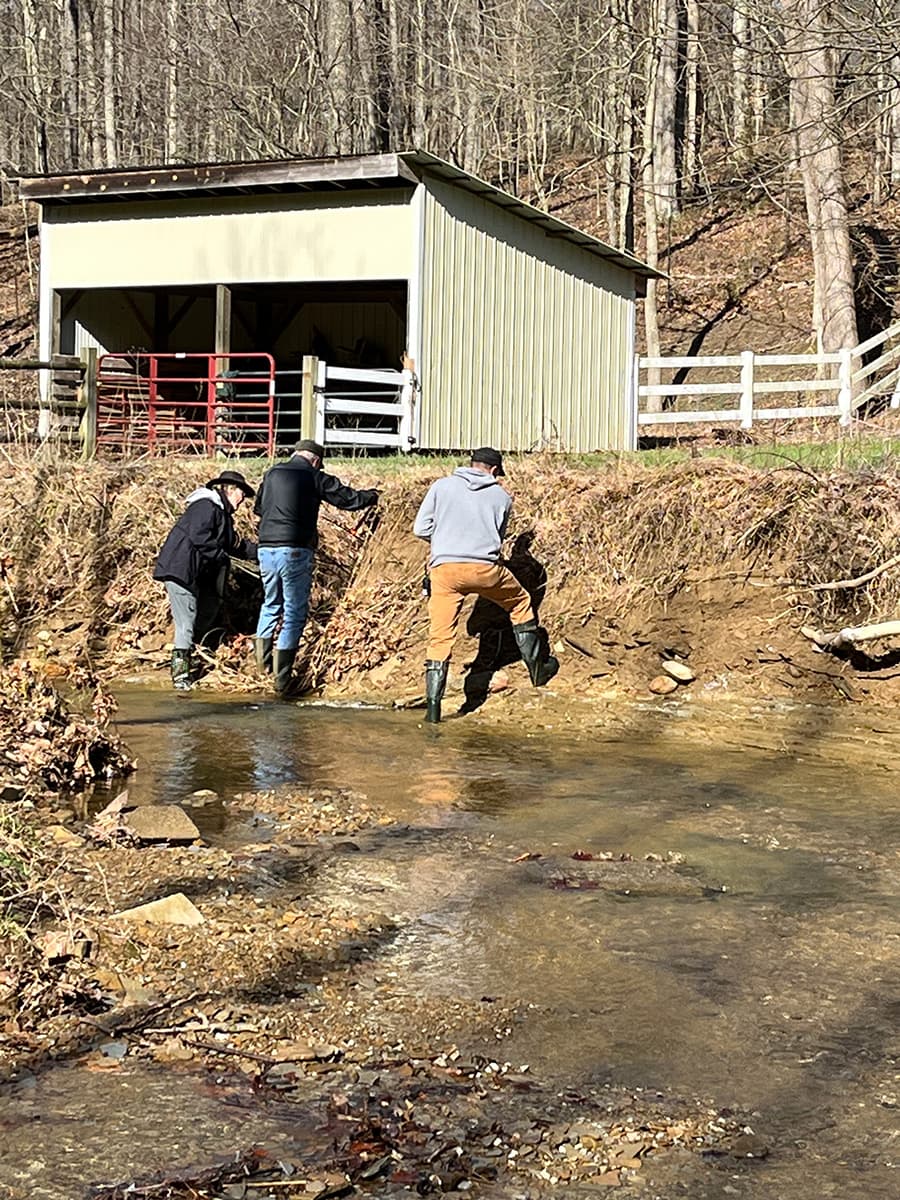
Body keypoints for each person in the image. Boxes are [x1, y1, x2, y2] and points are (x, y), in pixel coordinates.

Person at [413, 447, 558, 722]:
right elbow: (498, 537)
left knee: (440, 638)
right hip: (485, 569)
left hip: (444, 570)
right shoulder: (502, 496)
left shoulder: (441, 486)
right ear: (493, 470)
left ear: (471, 464)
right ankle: (538, 670)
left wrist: (445, 540)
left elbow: (420, 529)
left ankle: (433, 713)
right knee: (521, 602)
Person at [253, 439, 379, 695]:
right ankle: (282, 680)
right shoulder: (314, 476)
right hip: (295, 549)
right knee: (293, 612)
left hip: (265, 548)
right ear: (316, 460)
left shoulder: (272, 473)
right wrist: (373, 496)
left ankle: (262, 667)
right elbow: (348, 499)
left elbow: (258, 508)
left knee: (270, 604)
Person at [153, 469, 258, 690]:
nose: (243, 500)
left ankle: (195, 657)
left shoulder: (222, 516)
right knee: (186, 622)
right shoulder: (205, 506)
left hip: (194, 574)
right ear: (230, 490)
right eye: (242, 494)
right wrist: (221, 557)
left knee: (208, 610)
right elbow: (199, 536)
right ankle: (180, 675)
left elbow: (236, 546)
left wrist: (263, 552)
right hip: (181, 571)